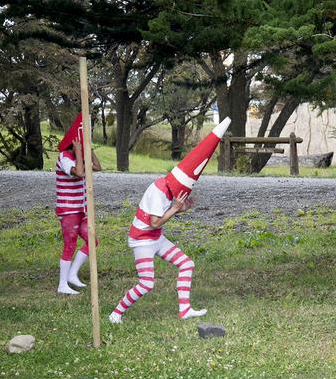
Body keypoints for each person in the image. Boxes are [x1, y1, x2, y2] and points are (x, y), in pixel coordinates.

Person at [109, 117, 231, 323]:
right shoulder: (158, 191)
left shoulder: (167, 187)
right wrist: (175, 208)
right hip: (142, 240)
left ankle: (185, 310)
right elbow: (154, 222)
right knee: (146, 283)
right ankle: (116, 313)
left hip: (155, 238)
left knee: (186, 264)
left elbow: (163, 215)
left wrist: (181, 208)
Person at [55, 113, 101, 295]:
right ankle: (62, 285)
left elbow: (97, 167)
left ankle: (72, 274)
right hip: (68, 209)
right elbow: (80, 173)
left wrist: (89, 148)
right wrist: (79, 152)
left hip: (80, 209)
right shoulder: (65, 157)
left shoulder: (79, 156)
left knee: (92, 241)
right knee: (70, 244)